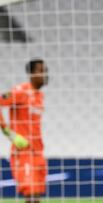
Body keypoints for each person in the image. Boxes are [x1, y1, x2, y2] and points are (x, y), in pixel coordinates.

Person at [0, 59, 49, 203]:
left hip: (38, 152)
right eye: (41, 70)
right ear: (31, 73)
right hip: (23, 152)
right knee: (31, 195)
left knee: (37, 196)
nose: (45, 74)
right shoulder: (21, 91)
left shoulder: (40, 96)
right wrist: (9, 132)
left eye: (46, 70)